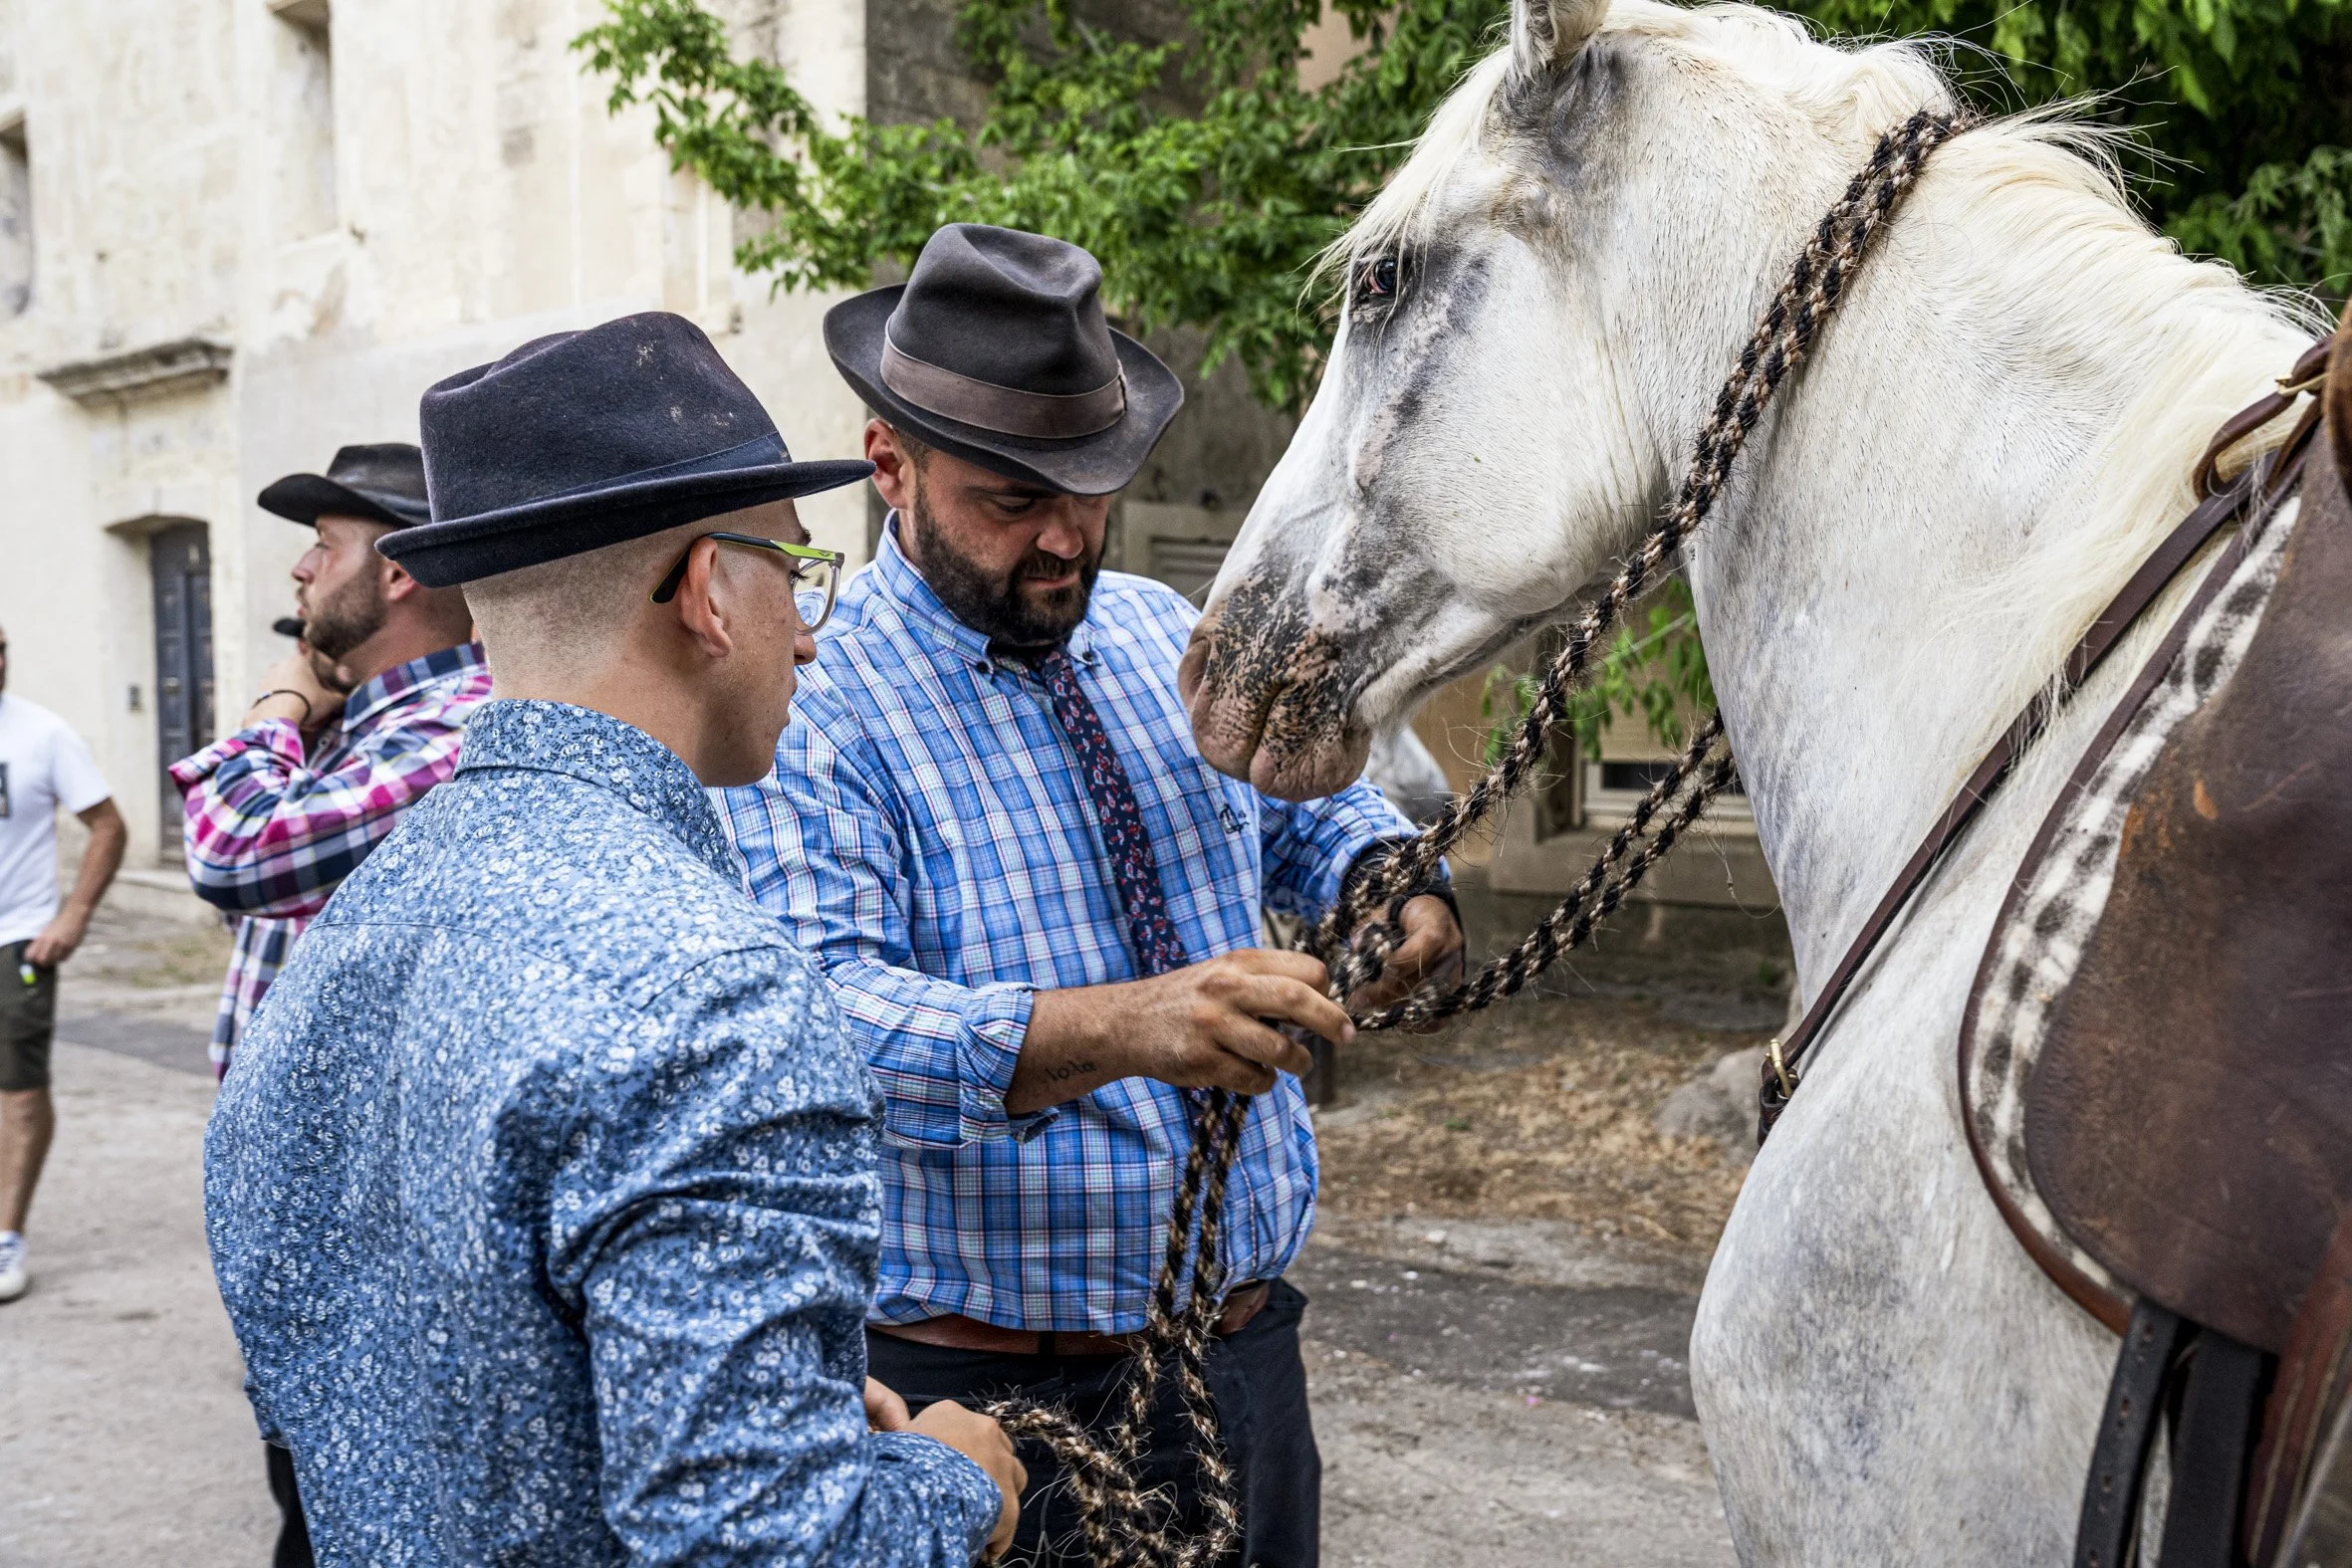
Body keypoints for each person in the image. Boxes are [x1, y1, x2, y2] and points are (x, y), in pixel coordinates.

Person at [204, 311, 1025, 1566]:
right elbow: (763, 1549)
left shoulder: (360, 917)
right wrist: (948, 1481)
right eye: (796, 575)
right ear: (707, 589)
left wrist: (738, 1402)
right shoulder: (714, 993)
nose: (809, 630)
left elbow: (389, 1373)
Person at [717, 224, 1465, 1566]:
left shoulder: (1150, 630)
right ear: (891, 466)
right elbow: (826, 1022)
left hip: (1241, 1359)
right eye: (1011, 495)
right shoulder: (813, 706)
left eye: (1093, 484)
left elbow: (1302, 796)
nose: (1064, 534)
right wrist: (1126, 1027)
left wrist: (1377, 871)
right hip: (988, 1405)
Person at [169, 443, 490, 1081]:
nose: (300, 568)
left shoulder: (460, 724)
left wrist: (275, 707)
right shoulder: (363, 724)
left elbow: (236, 853)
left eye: (323, 544)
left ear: (397, 573)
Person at [0, 624, 125, 1303]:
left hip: (16, 940)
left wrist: (72, 915)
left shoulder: (40, 734)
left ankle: (6, 1235)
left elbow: (109, 824)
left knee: (18, 1089)